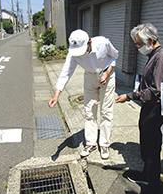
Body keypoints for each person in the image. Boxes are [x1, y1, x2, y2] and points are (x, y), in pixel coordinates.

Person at [116, 23, 163, 194]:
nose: (138, 47)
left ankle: (154, 188)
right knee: (146, 146)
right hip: (148, 109)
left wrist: (130, 96)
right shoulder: (152, 55)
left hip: (154, 111)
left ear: (150, 40)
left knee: (152, 150)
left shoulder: (161, 57)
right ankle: (146, 176)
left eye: (139, 43)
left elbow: (156, 90)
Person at [48, 29, 118, 160]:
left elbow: (114, 56)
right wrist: (56, 96)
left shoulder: (103, 42)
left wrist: (107, 74)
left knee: (106, 111)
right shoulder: (74, 53)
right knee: (89, 111)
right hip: (90, 77)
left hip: (107, 75)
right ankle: (90, 144)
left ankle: (104, 144)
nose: (81, 54)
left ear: (89, 42)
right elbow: (65, 73)